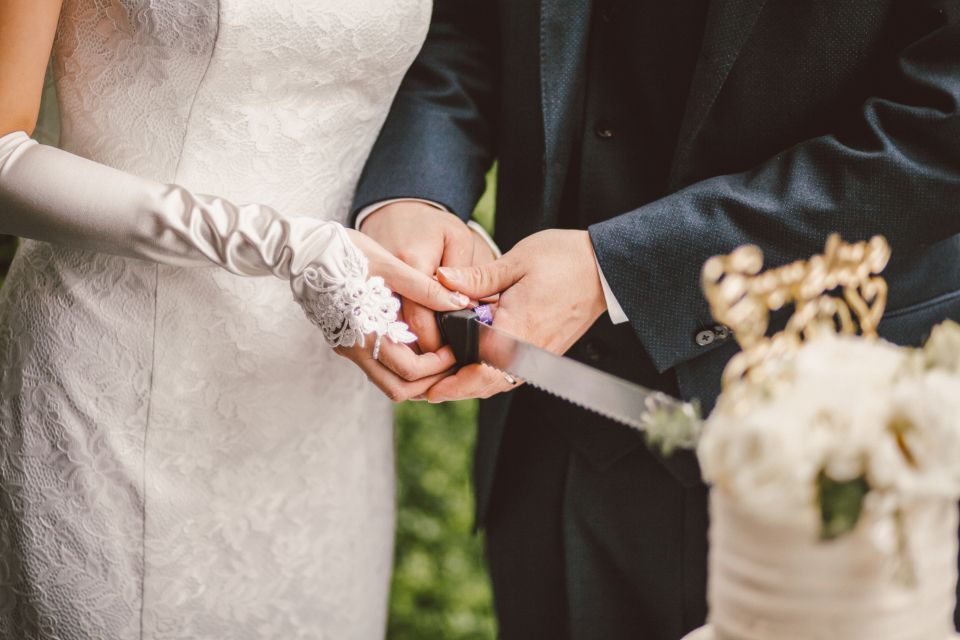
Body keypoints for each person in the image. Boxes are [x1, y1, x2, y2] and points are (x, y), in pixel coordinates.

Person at [353, 0, 960, 638]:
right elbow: (468, 27)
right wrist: (415, 194)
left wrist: (617, 270)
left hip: (816, 450)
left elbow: (942, 124)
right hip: (544, 438)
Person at [0, 1, 481, 637]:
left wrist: (435, 246)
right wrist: (283, 245)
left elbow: (448, 71)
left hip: (321, 399)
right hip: (119, 384)